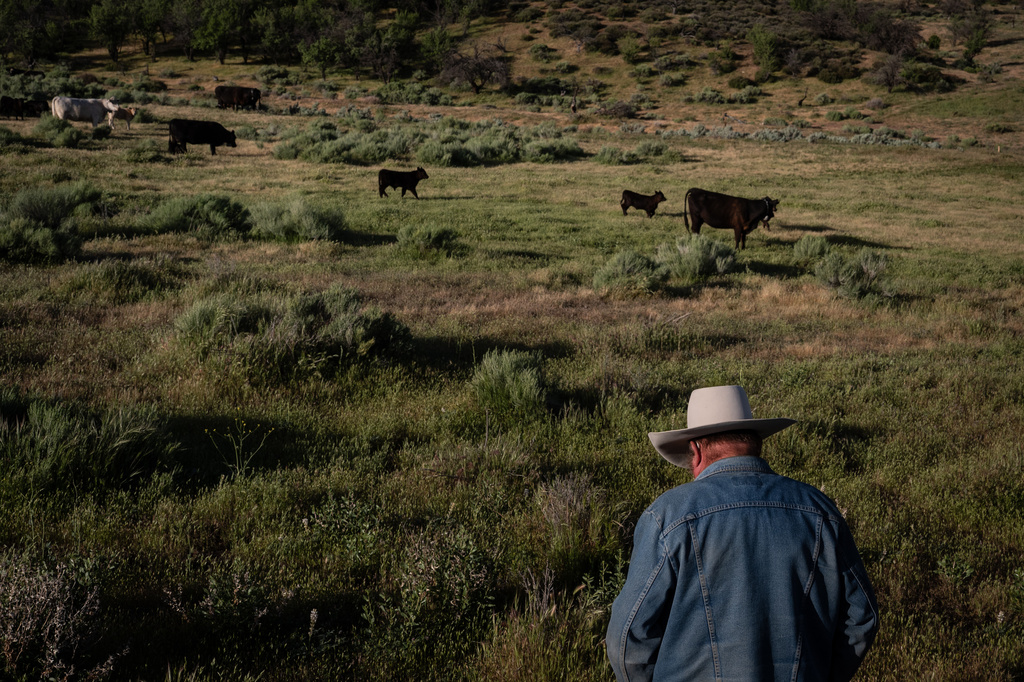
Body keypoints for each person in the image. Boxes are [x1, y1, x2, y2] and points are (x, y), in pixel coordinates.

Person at [606, 385, 879, 682]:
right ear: (755, 443)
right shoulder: (819, 511)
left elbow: (629, 636)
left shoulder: (668, 516)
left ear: (696, 451)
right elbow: (861, 617)